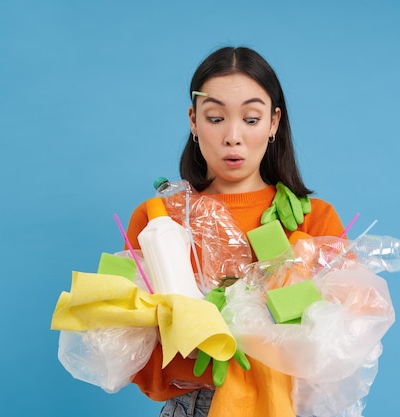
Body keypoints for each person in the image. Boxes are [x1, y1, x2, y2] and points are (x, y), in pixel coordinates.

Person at [126, 46, 345, 417]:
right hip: (195, 404)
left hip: (286, 404)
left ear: (274, 123)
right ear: (193, 121)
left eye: (251, 118)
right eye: (215, 118)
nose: (233, 136)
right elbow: (132, 344)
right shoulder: (160, 218)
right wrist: (194, 348)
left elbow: (340, 344)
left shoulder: (314, 222)